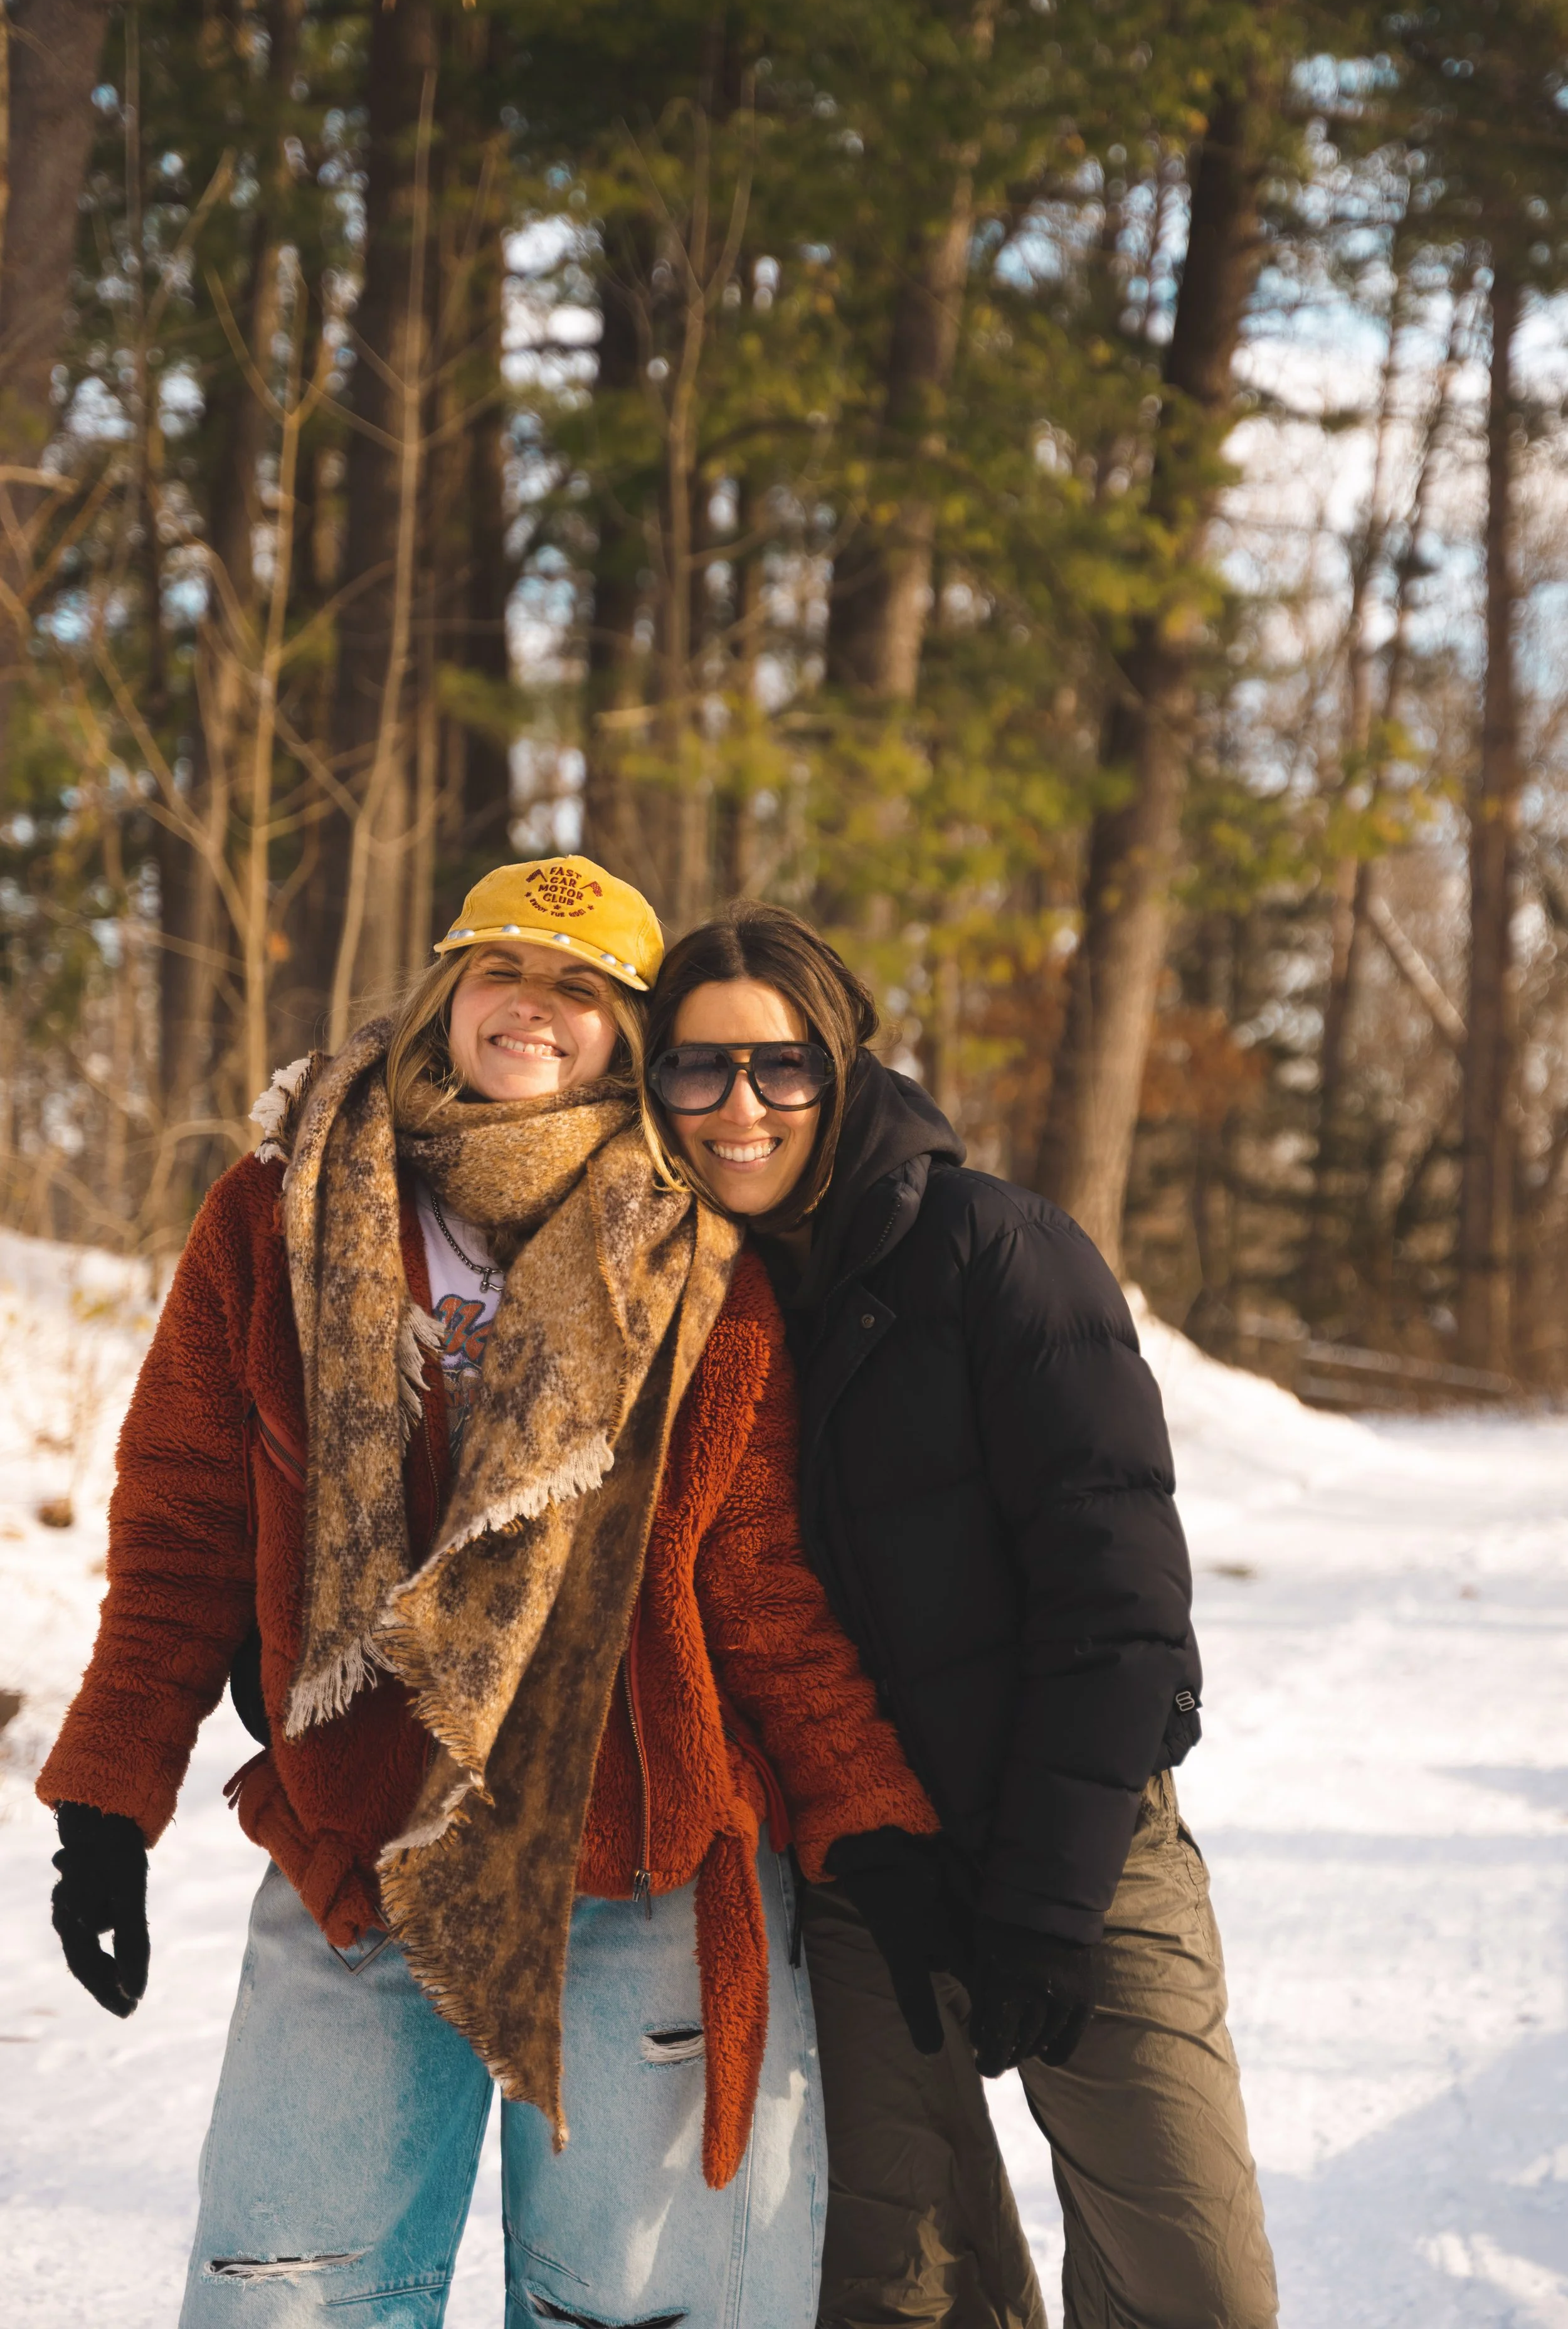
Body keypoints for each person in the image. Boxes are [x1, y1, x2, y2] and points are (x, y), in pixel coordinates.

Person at [38, 859, 938, 2329]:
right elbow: (186, 1528)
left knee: (636, 2311)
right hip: (362, 1848)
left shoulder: (694, 1254)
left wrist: (873, 1824)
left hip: (629, 1854)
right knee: (288, 2299)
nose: (537, 1004)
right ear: (448, 987)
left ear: (629, 1036)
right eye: (506, 966)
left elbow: (756, 1588)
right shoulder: (282, 1209)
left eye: (584, 987)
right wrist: (105, 1804)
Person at [638, 901, 1279, 2329]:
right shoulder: (676, 1298)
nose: (738, 1108)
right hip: (861, 1869)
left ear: (845, 1064)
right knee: (902, 2288)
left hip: (1079, 1846)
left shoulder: (997, 1251)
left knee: (1197, 2289)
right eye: (695, 1070)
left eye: (780, 1066)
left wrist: (1048, 1909)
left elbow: (1116, 1605)